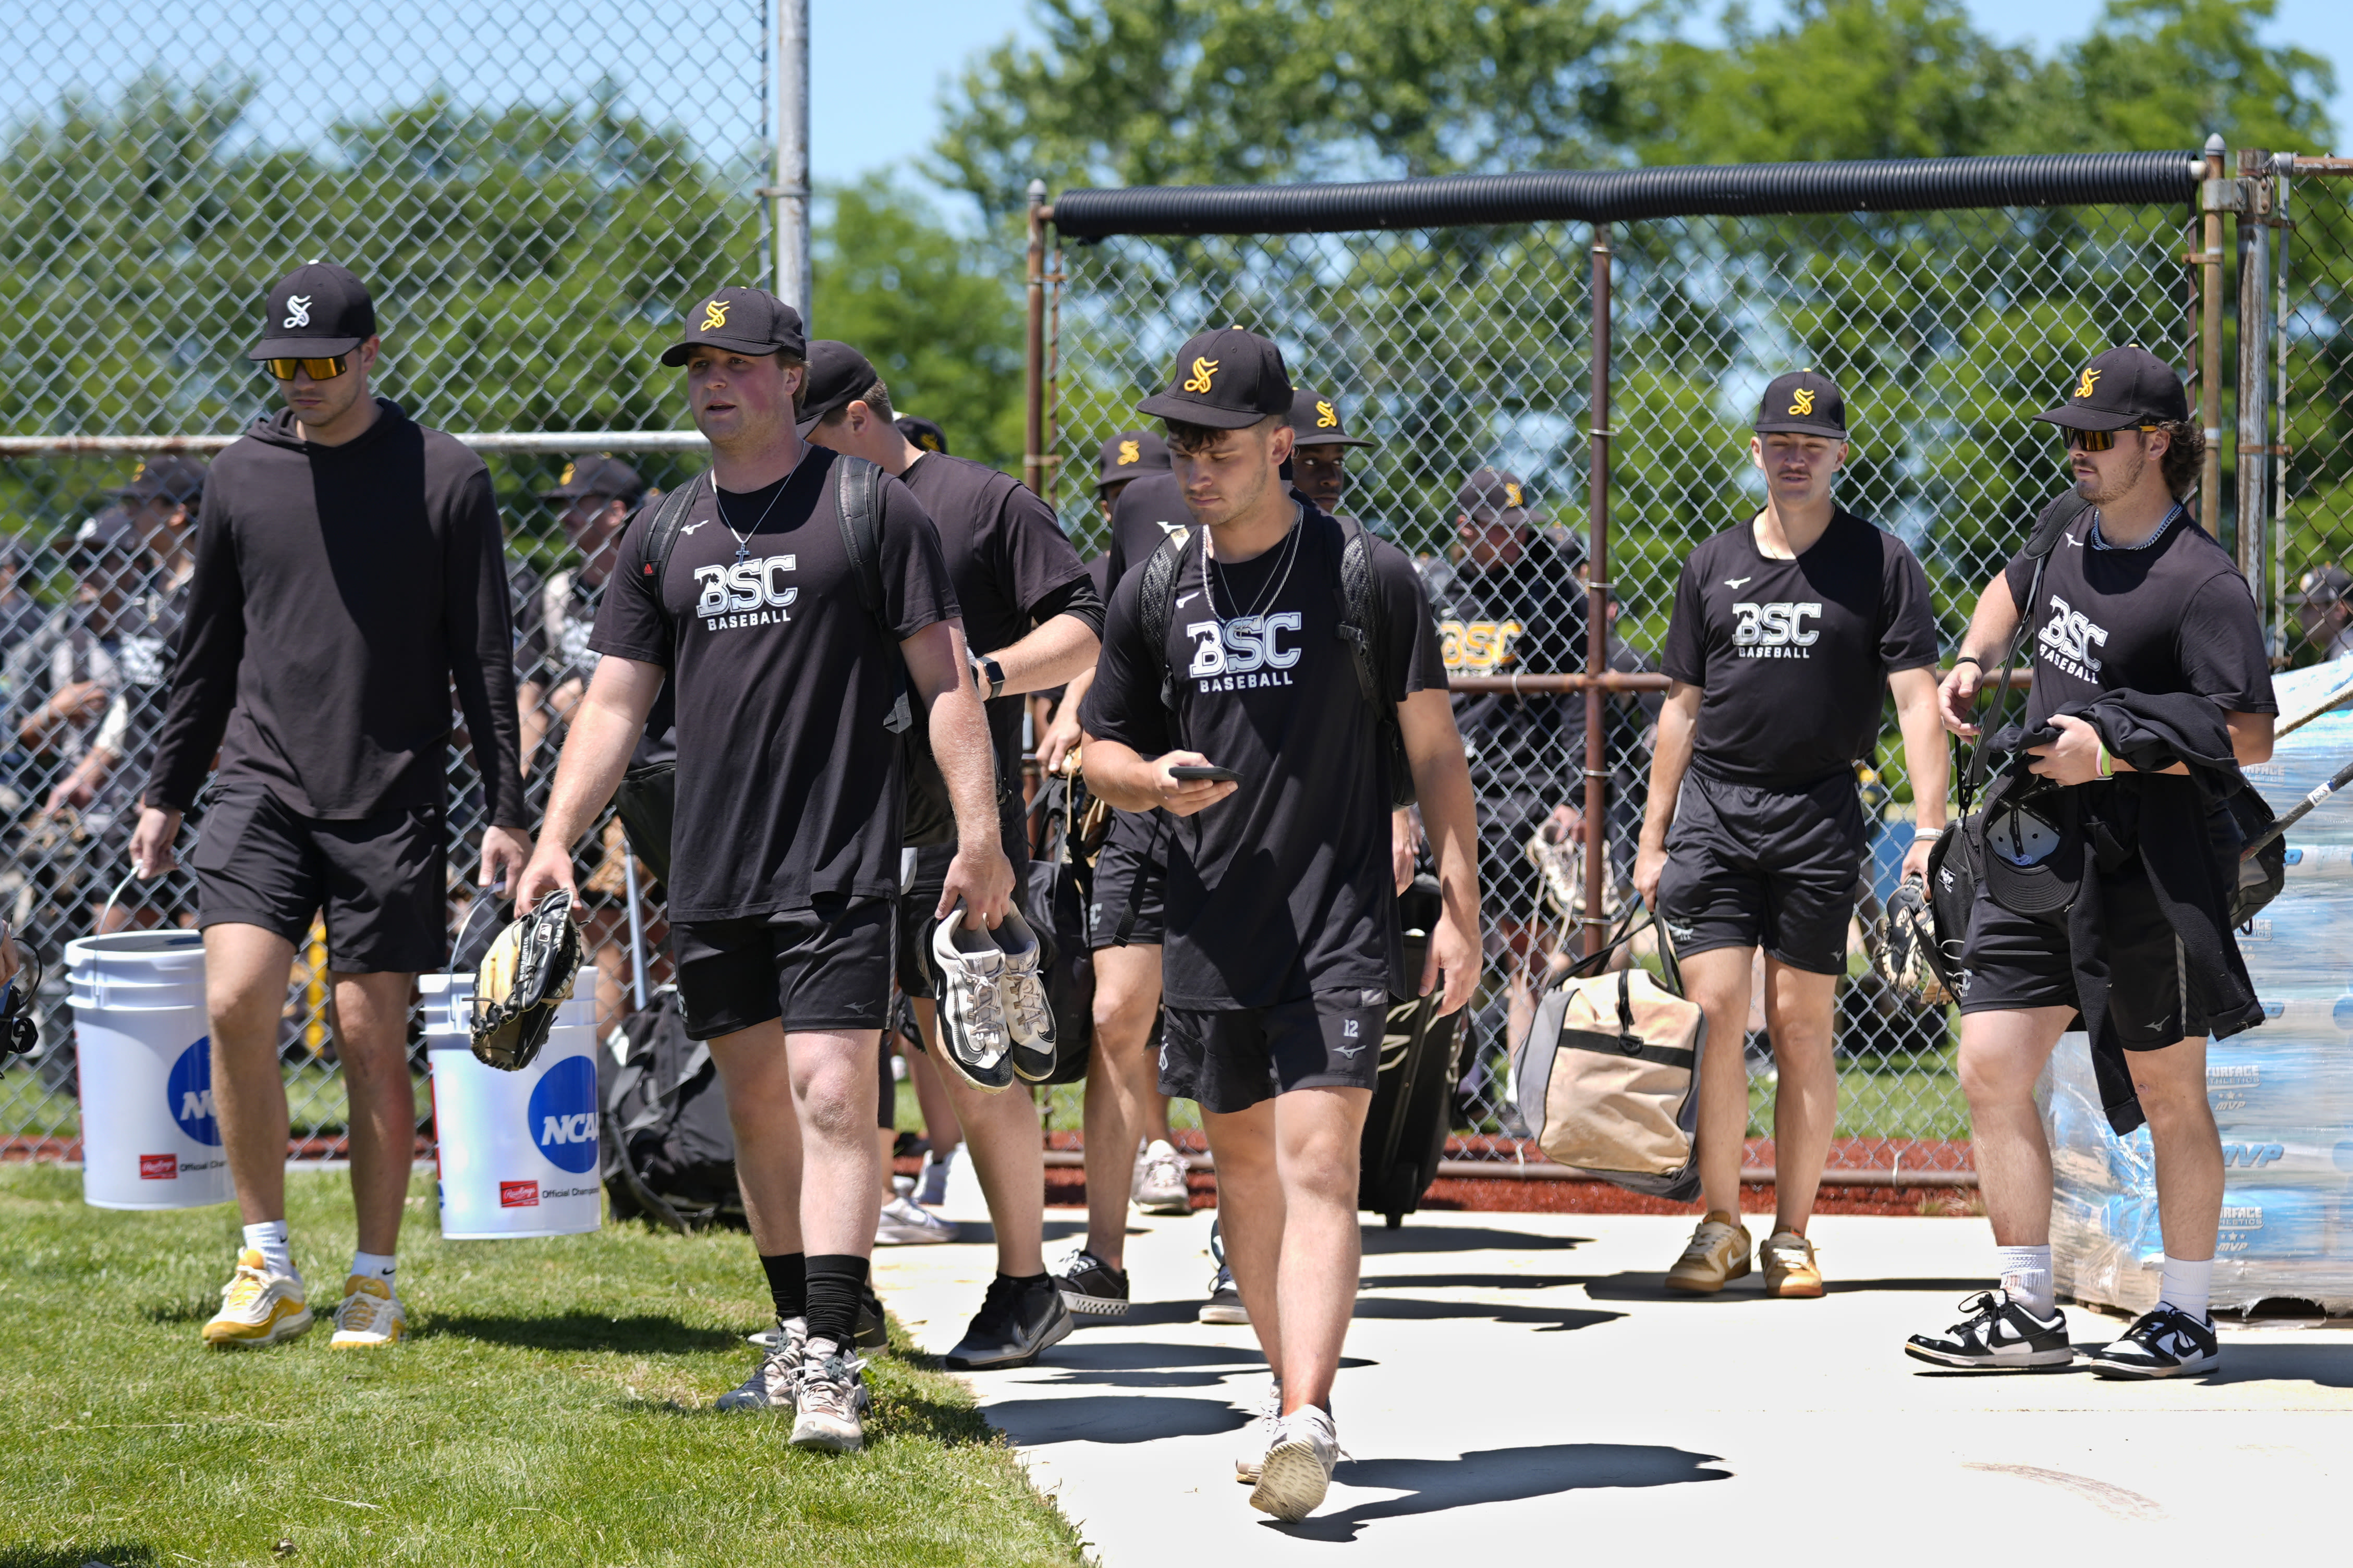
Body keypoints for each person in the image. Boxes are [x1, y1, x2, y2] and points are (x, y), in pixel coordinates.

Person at [513, 287, 1013, 1452]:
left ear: (793, 376)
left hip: (840, 857)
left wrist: (980, 837)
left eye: (737, 362)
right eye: (699, 365)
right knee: (755, 1108)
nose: (713, 382)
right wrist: (555, 832)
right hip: (712, 862)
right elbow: (617, 704)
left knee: (834, 1093)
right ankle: (795, 1333)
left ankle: (836, 1355)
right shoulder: (665, 530)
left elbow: (948, 685)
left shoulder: (870, 510)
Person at [1080, 327, 1479, 1520]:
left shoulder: (1367, 574)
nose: (1190, 463)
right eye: (1177, 442)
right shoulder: (1157, 588)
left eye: (1214, 443)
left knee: (1316, 1164)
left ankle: (1308, 1408)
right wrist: (1151, 785)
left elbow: (1433, 754)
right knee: (1243, 1174)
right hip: (1210, 921)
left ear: (1277, 442)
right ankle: (1281, 1387)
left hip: (1338, 922)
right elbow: (1097, 749)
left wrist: (1458, 910)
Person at [130, 260, 532, 1352]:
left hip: (388, 794)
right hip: (259, 783)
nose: (300, 380)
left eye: (320, 362)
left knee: (368, 1034)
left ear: (368, 356)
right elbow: (203, 651)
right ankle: (267, 1262)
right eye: (283, 363)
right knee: (235, 1003)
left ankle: (373, 1277)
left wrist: (509, 804)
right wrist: (165, 790)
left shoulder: (445, 476)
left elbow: (482, 655)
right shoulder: (241, 477)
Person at [1909, 346, 2273, 1378]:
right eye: (2071, 434)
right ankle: (2026, 1305)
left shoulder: (2202, 582)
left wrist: (2111, 749)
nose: (2077, 451)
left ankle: (2186, 1316)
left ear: (2156, 442)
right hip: (2035, 849)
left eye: (2098, 437)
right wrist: (1977, 662)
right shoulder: (2067, 528)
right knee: (1989, 1063)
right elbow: (2006, 588)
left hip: (2145, 863)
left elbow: (2248, 733)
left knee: (2168, 1088)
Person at [799, 338, 1104, 1367]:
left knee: (975, 1053)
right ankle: (838, 1302)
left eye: (806, 426)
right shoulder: (802, 509)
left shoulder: (976, 501)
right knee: (838, 1061)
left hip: (950, 828)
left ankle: (1027, 1284)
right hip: (832, 824)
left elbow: (1085, 626)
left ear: (855, 417)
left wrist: (984, 669)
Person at [1632, 371, 1945, 1300]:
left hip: (1818, 814)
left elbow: (1916, 700)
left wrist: (1927, 830)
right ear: (1757, 450)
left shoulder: (1880, 561)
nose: (1794, 453)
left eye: (1812, 442)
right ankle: (1719, 1224)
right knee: (1717, 1016)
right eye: (1778, 440)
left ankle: (1792, 1232)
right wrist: (1652, 840)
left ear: (1839, 453)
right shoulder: (1711, 564)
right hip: (1717, 816)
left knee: (1804, 1025)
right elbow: (1679, 713)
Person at [1419, 468, 1598, 1059]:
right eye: (1500, 529)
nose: (1515, 540)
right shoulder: (1434, 588)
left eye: (1521, 527)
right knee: (1439, 931)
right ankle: (1453, 1082)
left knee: (1528, 946)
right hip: (1444, 782)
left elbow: (1578, 702)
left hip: (1523, 784)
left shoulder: (1548, 592)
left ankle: (1524, 1088)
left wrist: (1574, 795)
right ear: (1466, 528)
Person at [514, 454, 670, 1035]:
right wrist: (524, 778)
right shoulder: (561, 592)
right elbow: (534, 686)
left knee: (663, 923)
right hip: (584, 774)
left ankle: (664, 1049)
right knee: (602, 923)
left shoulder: (655, 576)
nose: (566, 519)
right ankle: (611, 1067)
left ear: (615, 512)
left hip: (653, 766)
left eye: (578, 505)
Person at [47, 459, 208, 931]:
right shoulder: (149, 591)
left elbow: (226, 701)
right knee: (114, 937)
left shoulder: (213, 592)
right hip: (135, 792)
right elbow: (136, 694)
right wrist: (92, 767)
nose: (127, 513)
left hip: (197, 798)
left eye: (136, 503)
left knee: (203, 938)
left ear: (176, 512)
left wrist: (174, 786)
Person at [2292, 565, 2353, 663]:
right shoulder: (2338, 651)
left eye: (2308, 608)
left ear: (2339, 609)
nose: (2301, 616)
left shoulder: (2346, 656)